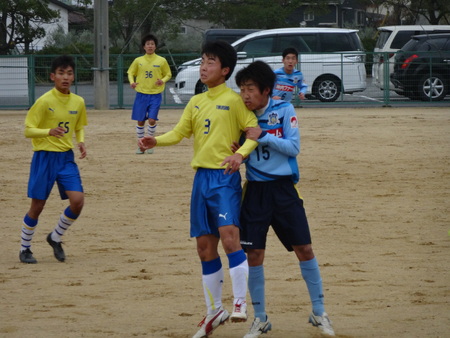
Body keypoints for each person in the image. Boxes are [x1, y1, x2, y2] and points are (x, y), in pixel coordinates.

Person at [138, 41, 259, 338]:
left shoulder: (234, 101)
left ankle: (240, 302)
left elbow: (253, 132)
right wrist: (156, 140)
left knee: (230, 238)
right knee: (204, 248)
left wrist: (239, 155)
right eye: (203, 61)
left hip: (224, 179)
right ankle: (215, 309)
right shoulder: (196, 101)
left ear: (225, 70)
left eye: (211, 62)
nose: (204, 67)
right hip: (200, 180)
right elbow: (180, 133)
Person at [233, 61, 335, 336]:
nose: (245, 95)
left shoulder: (284, 109)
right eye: (242, 89)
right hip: (254, 192)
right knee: (254, 254)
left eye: (250, 89)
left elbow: (294, 147)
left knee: (305, 249)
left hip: (284, 190)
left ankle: (319, 312)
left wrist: (263, 135)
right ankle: (261, 318)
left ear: (266, 90)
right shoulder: (241, 115)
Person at [19, 55, 88, 264]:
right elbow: (28, 131)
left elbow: (78, 126)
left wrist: (81, 141)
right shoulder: (44, 101)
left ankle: (55, 237)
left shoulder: (79, 101)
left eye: (69, 73)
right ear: (52, 76)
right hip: (44, 158)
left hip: (66, 158)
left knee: (77, 201)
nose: (65, 77)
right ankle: (25, 248)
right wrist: (48, 131)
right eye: (61, 73)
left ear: (73, 77)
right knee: (38, 206)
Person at [128, 33, 172, 154]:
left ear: (155, 47)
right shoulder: (138, 61)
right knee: (141, 121)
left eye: (152, 44)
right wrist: (132, 82)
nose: (150, 46)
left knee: (152, 120)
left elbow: (168, 74)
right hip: (141, 94)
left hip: (155, 94)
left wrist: (162, 81)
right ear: (144, 47)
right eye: (148, 44)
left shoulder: (161, 60)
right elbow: (130, 72)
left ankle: (150, 143)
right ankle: (141, 145)